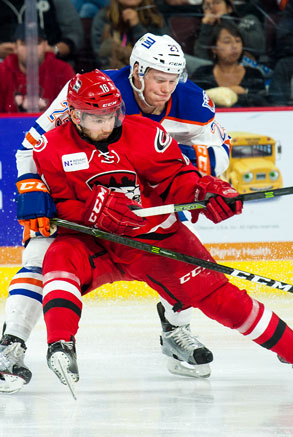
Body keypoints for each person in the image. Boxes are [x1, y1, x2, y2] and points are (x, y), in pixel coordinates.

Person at [33, 70, 293, 392]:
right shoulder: (50, 148)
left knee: (226, 301)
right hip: (97, 243)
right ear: (74, 114)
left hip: (156, 241)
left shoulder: (144, 134)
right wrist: (90, 213)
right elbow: (61, 206)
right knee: (59, 257)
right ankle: (61, 345)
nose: (107, 125)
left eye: (112, 115)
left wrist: (202, 193)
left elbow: (176, 179)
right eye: (97, 119)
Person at [0, 33, 231, 393]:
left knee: (179, 261)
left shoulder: (191, 100)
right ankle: (10, 345)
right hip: (79, 199)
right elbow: (31, 147)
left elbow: (220, 151)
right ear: (137, 71)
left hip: (146, 203)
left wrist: (169, 166)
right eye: (158, 77)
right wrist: (32, 189)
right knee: (38, 257)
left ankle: (175, 329)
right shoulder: (94, 91)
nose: (166, 88)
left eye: (174, 78)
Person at [0, 24, 75, 113]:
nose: (31, 49)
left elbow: (72, 112)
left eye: (37, 42)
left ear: (45, 45)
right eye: (25, 43)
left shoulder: (63, 70)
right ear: (15, 47)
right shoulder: (2, 71)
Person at [191, 22, 268, 107]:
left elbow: (263, 105)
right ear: (214, 48)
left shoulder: (254, 75)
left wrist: (245, 93)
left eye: (238, 41)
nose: (234, 46)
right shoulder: (202, 74)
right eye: (227, 42)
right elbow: (191, 101)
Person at [91, 0, 168, 69]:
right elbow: (100, 54)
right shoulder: (104, 16)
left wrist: (137, 27)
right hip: (112, 72)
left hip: (148, 73)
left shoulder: (154, 17)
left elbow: (159, 53)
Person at [0, 0, 84, 62]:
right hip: (4, 62)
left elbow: (75, 34)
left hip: (52, 62)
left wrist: (54, 50)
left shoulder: (56, 2)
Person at [194, 0, 266, 63]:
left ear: (229, 8)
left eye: (216, 2)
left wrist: (226, 19)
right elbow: (201, 60)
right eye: (207, 6)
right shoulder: (205, 32)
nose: (212, 7)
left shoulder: (248, 20)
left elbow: (259, 48)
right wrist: (206, 27)